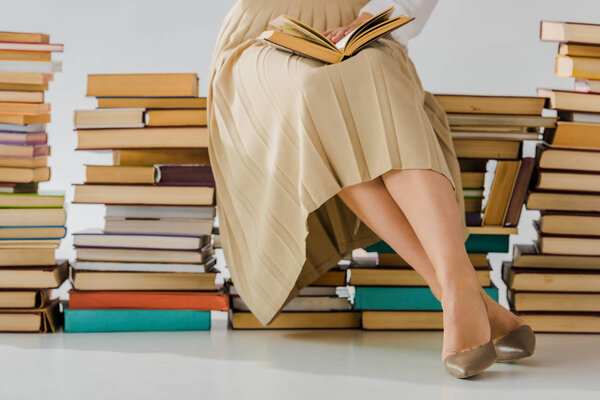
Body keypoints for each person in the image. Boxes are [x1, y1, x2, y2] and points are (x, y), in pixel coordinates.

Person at [208, 0, 535, 379]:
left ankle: (456, 289)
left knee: (374, 74)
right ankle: (460, 292)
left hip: (366, 22)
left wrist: (381, 13)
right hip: (263, 37)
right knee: (313, 90)